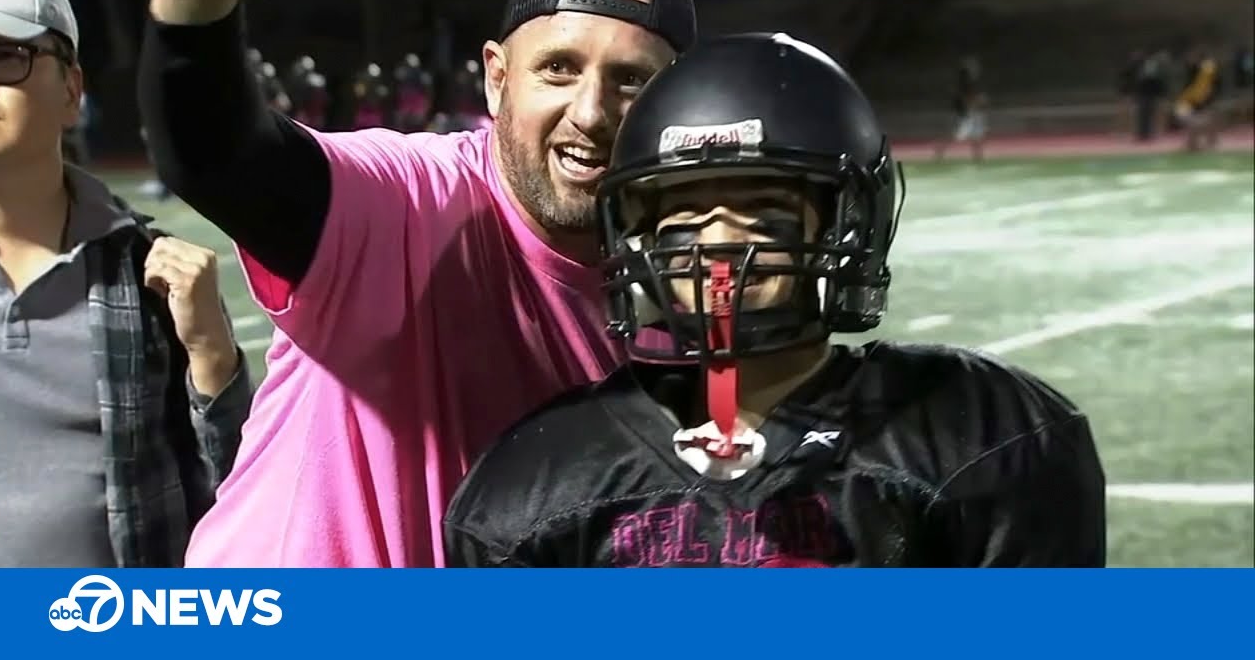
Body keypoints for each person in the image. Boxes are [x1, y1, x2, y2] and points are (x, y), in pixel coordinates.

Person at [444, 32, 1107, 568]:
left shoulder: (984, 437)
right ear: (635, 235)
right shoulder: (535, 482)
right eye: (685, 218)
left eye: (764, 211)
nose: (722, 245)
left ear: (846, 225)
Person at [137, 0, 696, 567]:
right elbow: (228, 158)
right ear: (497, 77)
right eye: (559, 69)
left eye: (631, 81)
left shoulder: (676, 288)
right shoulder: (408, 199)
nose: (592, 113)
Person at [0, 0, 253, 567]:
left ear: (72, 89)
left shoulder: (152, 279)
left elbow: (244, 501)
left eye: (3, 54)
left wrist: (213, 359)